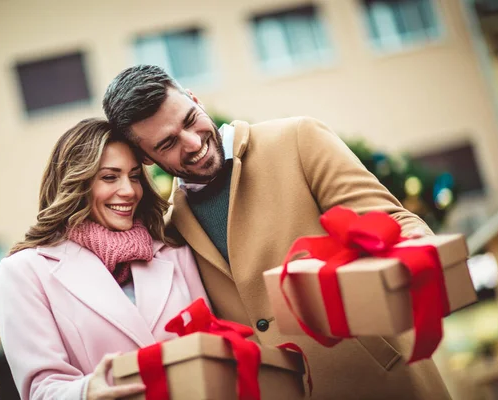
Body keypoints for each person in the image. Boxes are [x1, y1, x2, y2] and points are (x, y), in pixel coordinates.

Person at [102, 65, 452, 399]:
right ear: (146, 158)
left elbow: (394, 221)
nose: (192, 142)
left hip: (383, 380)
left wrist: (415, 252)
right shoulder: (174, 226)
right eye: (167, 144)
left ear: (194, 98)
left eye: (191, 120)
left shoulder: (297, 139)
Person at [0, 118, 210, 400]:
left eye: (134, 176)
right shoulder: (24, 272)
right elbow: (40, 389)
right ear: (76, 184)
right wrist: (85, 393)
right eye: (109, 177)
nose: (129, 191)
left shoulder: (173, 251)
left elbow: (212, 343)